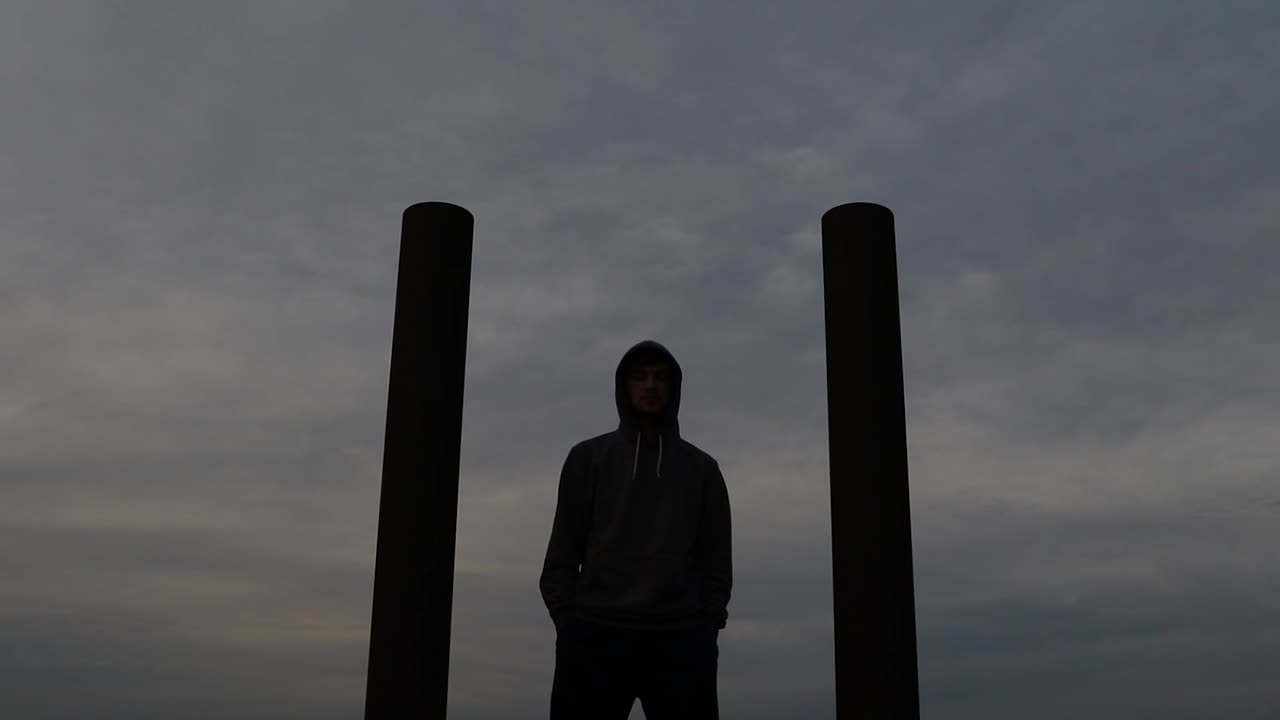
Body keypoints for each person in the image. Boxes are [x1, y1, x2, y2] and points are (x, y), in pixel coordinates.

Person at [541, 339, 732, 719]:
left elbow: (716, 560)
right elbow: (563, 549)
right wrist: (570, 623)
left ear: (673, 388)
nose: (650, 386)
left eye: (660, 378)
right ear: (624, 387)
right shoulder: (588, 459)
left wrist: (705, 627)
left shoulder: (702, 470)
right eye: (640, 377)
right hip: (596, 634)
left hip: (680, 640)